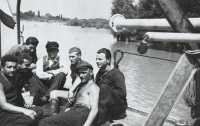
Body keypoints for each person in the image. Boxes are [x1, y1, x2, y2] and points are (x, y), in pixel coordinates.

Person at [39, 61, 99, 126]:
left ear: (91, 72)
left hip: (81, 111)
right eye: (79, 73)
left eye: (84, 73)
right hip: (75, 111)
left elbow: (94, 109)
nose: (81, 75)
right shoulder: (82, 85)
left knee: (45, 122)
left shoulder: (93, 87)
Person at [0, 55, 43, 126]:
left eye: (14, 67)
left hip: (15, 108)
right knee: (29, 119)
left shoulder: (15, 76)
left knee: (38, 110)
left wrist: (26, 103)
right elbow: (3, 105)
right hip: (3, 112)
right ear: (2, 67)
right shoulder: (1, 81)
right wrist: (24, 110)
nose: (12, 70)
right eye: (9, 67)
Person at [94, 48, 127, 126]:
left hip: (118, 106)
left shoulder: (117, 74)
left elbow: (123, 93)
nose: (97, 61)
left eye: (100, 59)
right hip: (106, 104)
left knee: (104, 88)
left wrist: (107, 91)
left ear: (108, 60)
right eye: (96, 59)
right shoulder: (100, 72)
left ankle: (98, 120)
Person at [28, 41, 68, 106]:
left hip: (56, 84)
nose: (52, 52)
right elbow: (39, 73)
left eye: (54, 50)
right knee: (34, 75)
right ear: (47, 51)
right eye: (50, 50)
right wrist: (49, 76)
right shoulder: (41, 59)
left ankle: (46, 97)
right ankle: (47, 94)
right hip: (44, 84)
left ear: (57, 50)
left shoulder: (62, 59)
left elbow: (65, 71)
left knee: (61, 75)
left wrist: (51, 72)